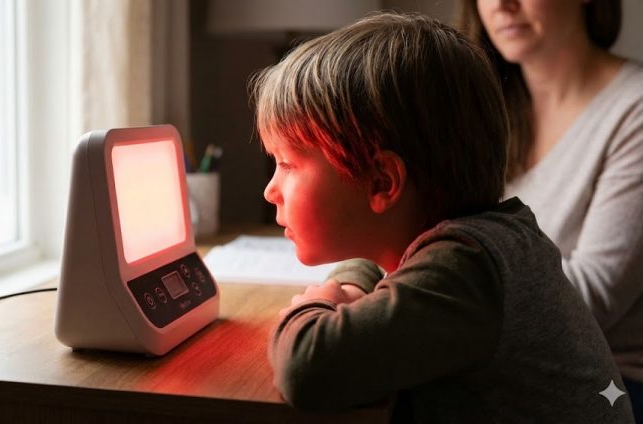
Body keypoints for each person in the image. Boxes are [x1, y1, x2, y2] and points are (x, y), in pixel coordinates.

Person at [250, 11, 633, 422]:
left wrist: (318, 302)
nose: (270, 190)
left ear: (382, 183)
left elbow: (307, 368)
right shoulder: (485, 240)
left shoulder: (466, 270)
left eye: (287, 164)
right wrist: (351, 280)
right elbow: (377, 267)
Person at [459, 0, 643, 420]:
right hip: (507, 368)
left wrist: (433, 295)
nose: (502, 5)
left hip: (610, 387)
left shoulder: (634, 109)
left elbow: (590, 300)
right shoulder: (486, 109)